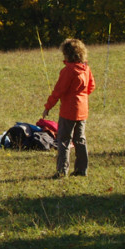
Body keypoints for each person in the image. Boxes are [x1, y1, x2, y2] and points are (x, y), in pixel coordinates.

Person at [42, 38, 95, 179]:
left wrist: (48, 107)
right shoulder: (86, 69)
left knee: (64, 140)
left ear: (67, 54)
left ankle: (61, 171)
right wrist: (81, 96)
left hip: (69, 110)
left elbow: (58, 91)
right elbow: (91, 87)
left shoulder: (68, 71)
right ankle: (81, 169)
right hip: (83, 110)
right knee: (80, 140)